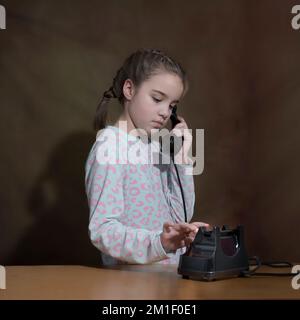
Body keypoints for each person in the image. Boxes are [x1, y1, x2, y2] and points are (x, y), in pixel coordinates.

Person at [85, 48, 209, 265]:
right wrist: (159, 243)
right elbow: (102, 229)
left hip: (169, 279)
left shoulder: (157, 150)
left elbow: (180, 217)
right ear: (129, 89)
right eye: (157, 98)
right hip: (131, 284)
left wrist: (181, 161)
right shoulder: (110, 147)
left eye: (172, 106)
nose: (165, 112)